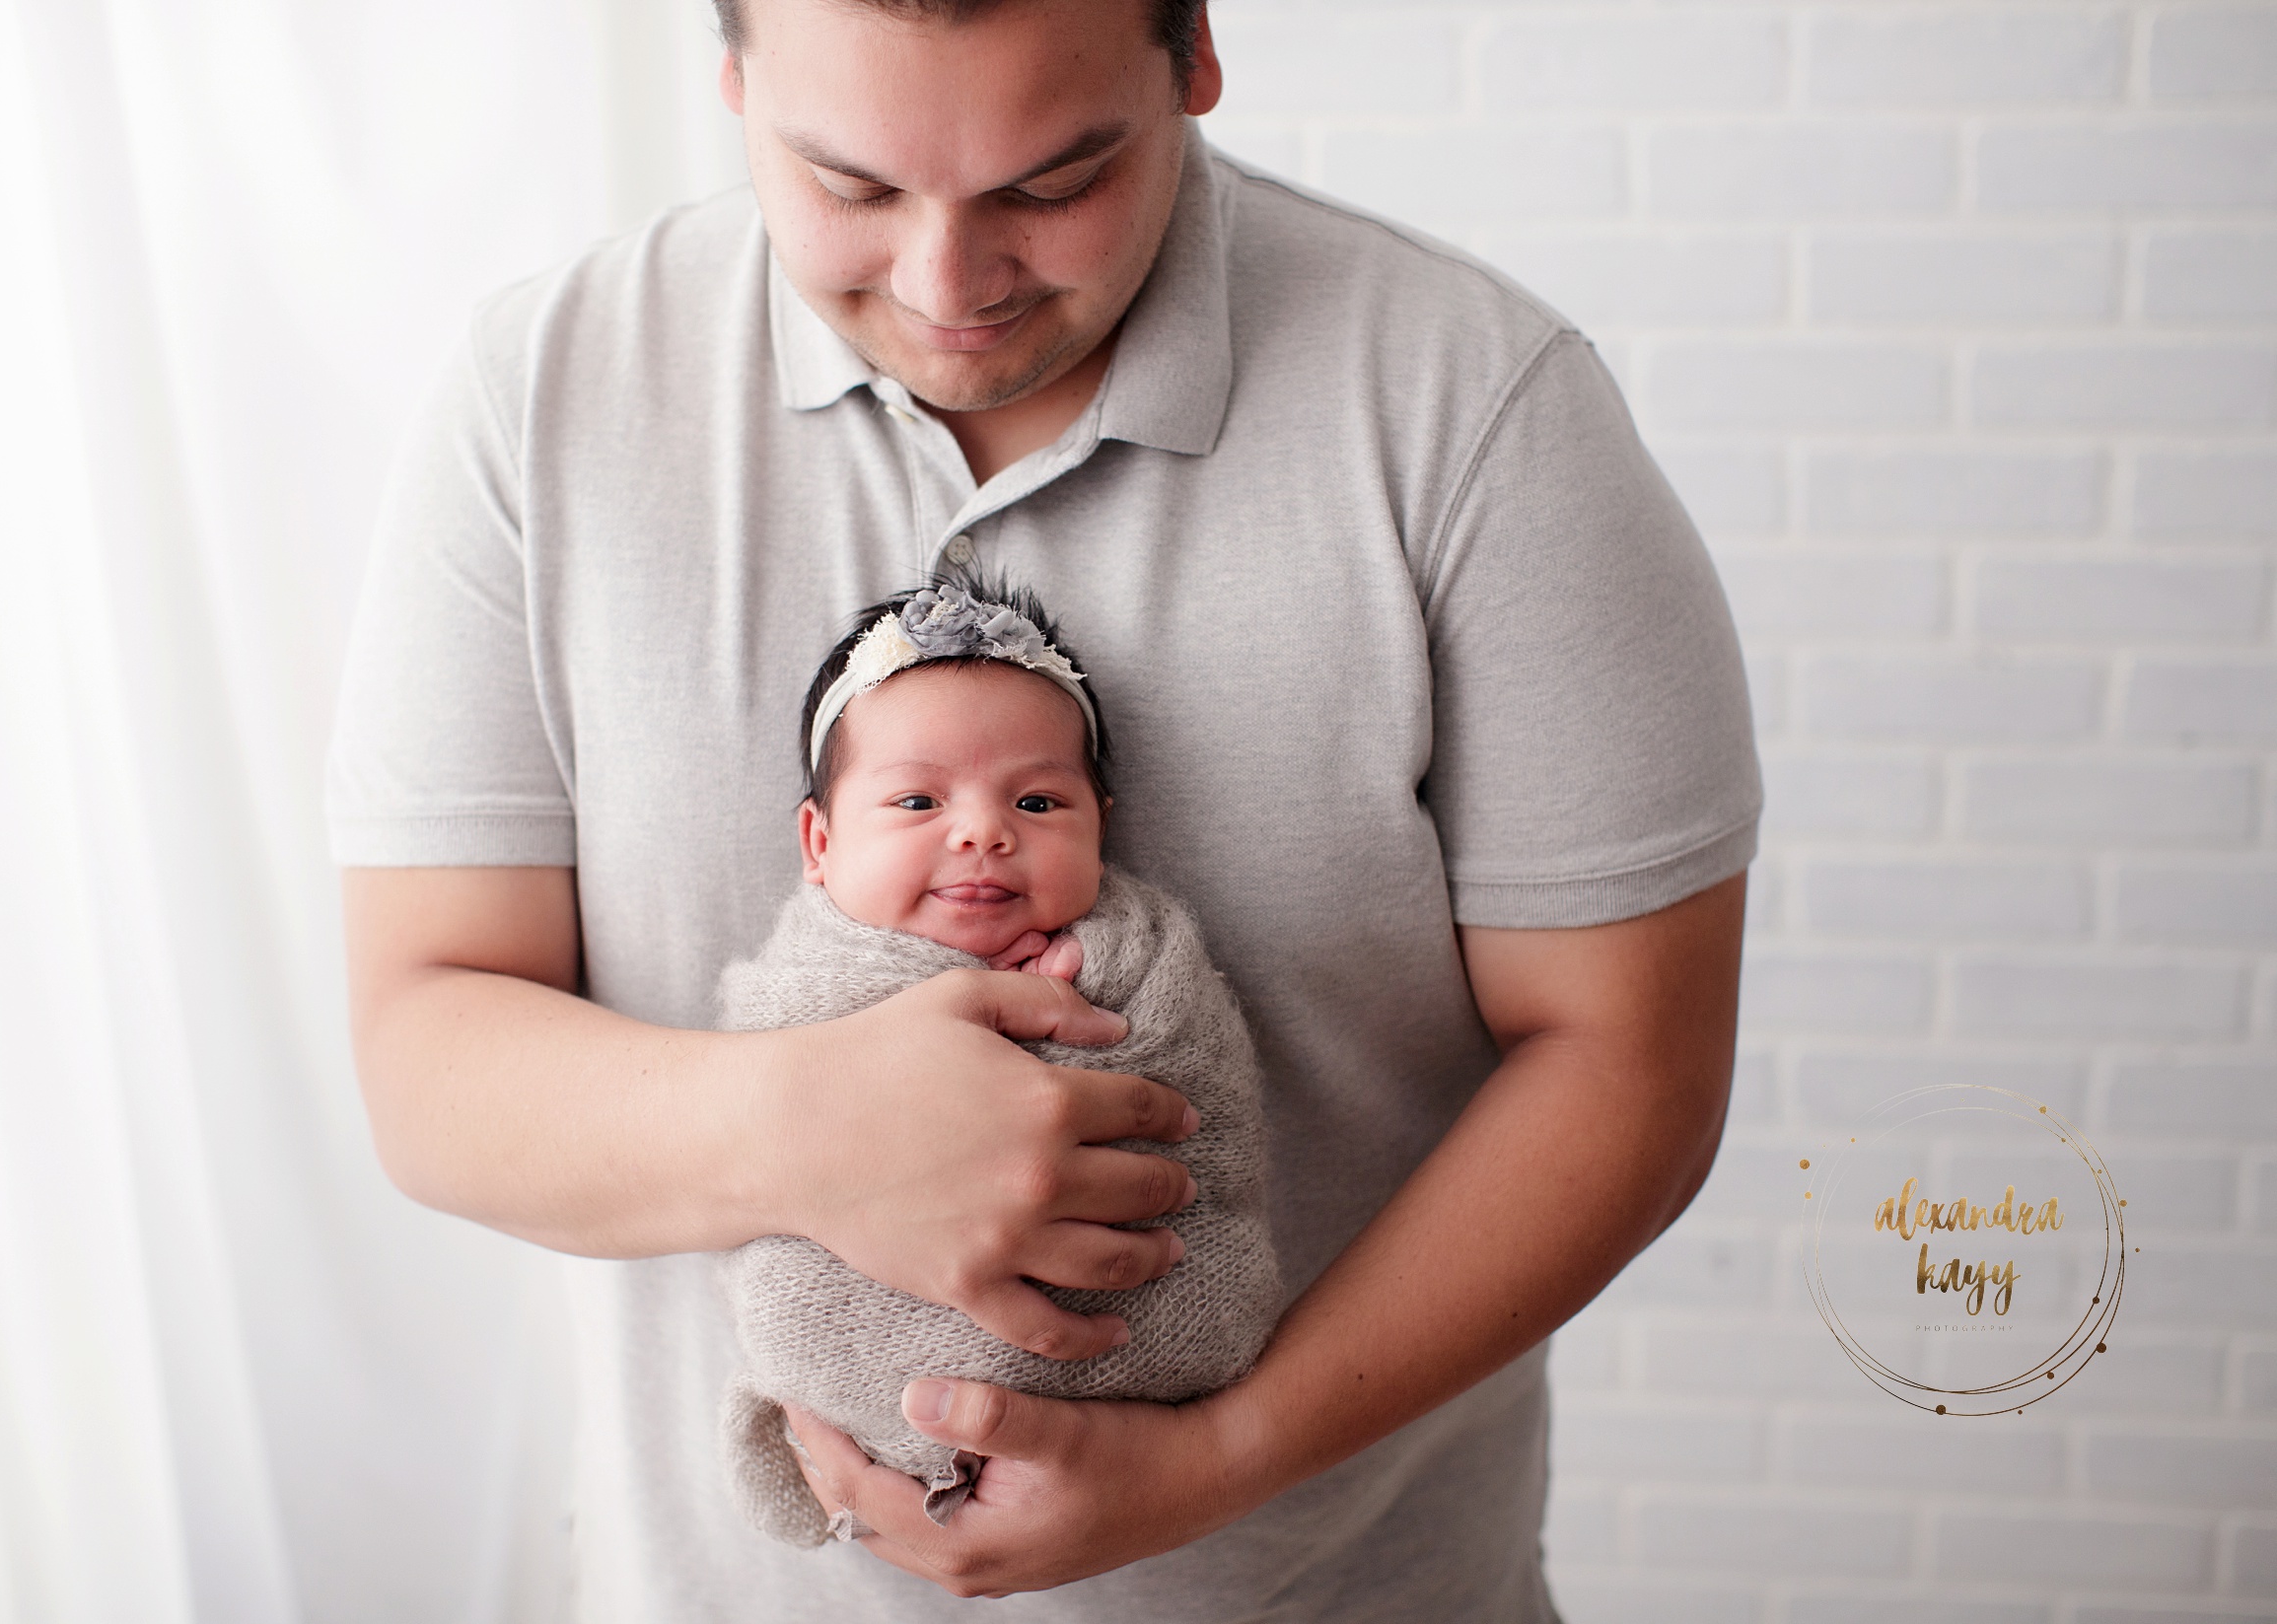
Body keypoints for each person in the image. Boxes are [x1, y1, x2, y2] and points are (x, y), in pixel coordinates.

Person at [327, 0, 1761, 1617]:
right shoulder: (541, 397)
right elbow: (424, 1045)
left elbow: (1631, 1064)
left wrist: (1225, 1452)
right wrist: (817, 1132)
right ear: (733, 85)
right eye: (850, 187)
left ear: (1194, 54)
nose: (951, 285)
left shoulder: (1479, 411)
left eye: (1052, 180)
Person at [714, 577, 1277, 1548]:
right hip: (856, 1315)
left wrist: (1088, 992)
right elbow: (752, 1093)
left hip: (1130, 1335)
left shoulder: (1133, 951)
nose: (980, 831)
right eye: (917, 799)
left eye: (1034, 799)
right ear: (819, 843)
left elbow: (1197, 1095)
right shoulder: (807, 972)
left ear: (1100, 828)